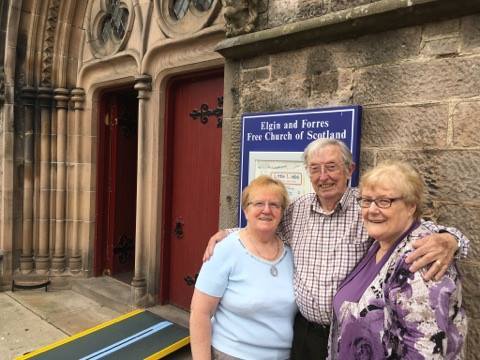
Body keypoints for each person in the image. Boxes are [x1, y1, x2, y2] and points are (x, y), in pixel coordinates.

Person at [204, 138, 469, 359]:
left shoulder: (367, 207)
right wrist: (227, 233)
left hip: (344, 332)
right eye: (315, 169)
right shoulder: (298, 210)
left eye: (331, 167)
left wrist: (451, 240)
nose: (323, 176)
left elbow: (413, 229)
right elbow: (264, 224)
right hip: (302, 332)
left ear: (349, 169)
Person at [329, 160, 467, 359]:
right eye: (366, 201)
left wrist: (453, 240)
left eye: (384, 201)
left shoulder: (421, 258)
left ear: (411, 206)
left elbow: (424, 350)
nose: (372, 210)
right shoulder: (381, 242)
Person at [190, 176, 297, 360]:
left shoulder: (292, 252)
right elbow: (200, 313)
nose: (266, 210)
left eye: (274, 205)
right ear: (246, 210)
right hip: (232, 354)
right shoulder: (225, 250)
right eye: (258, 203)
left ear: (282, 212)